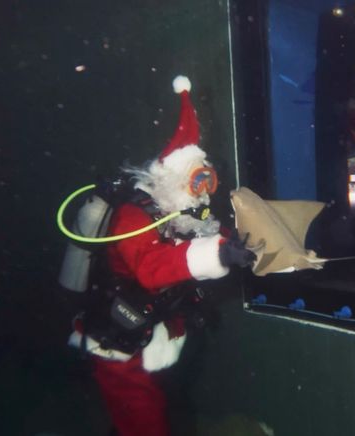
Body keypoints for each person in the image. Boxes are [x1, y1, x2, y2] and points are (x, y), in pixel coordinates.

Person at [67, 76, 256, 436]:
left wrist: (239, 244)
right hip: (115, 341)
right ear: (172, 180)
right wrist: (220, 254)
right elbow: (152, 269)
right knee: (143, 418)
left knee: (151, 411)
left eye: (209, 182)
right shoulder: (133, 217)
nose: (203, 193)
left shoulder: (176, 212)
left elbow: (207, 237)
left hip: (148, 329)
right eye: (197, 181)